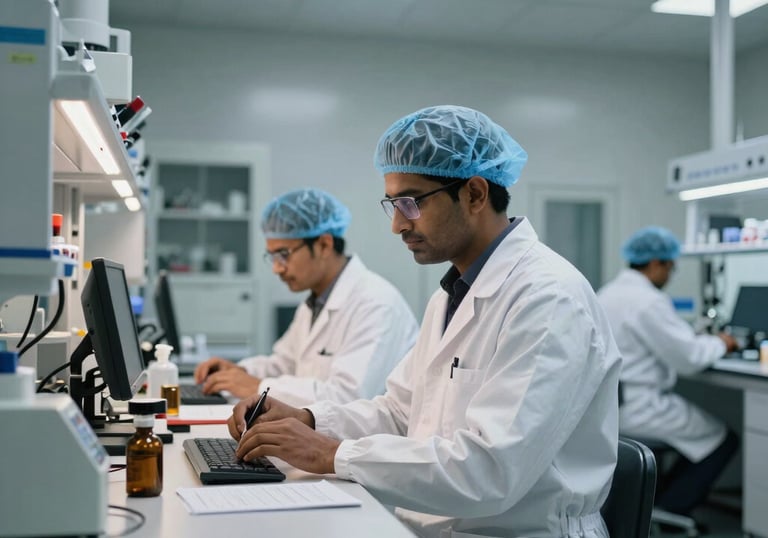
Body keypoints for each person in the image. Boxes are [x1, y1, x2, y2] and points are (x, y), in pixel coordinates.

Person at [227, 105, 622, 538]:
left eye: (411, 203)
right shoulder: (452, 294)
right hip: (429, 523)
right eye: (393, 205)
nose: (397, 225)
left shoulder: (548, 298)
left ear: (474, 194)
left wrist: (333, 454)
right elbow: (401, 412)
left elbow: (490, 472)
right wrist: (310, 420)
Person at [194, 188, 419, 406]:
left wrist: (258, 387)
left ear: (324, 244)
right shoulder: (315, 301)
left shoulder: (376, 304)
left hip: (364, 442)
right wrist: (240, 373)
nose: (276, 269)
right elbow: (286, 363)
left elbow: (349, 398)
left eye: (283, 254)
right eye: (271, 256)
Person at [597, 226, 739, 516]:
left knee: (701, 437)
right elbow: (689, 358)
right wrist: (722, 344)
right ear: (656, 263)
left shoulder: (609, 292)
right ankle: (669, 508)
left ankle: (656, 501)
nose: (670, 276)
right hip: (641, 406)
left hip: (613, 406)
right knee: (721, 438)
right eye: (670, 268)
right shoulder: (648, 301)